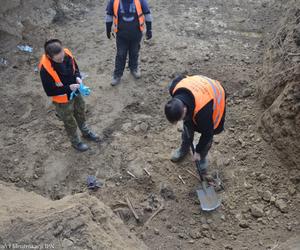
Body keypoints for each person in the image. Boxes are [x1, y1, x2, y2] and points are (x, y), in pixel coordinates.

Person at [39, 39, 99, 152]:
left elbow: (75, 69)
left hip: (76, 92)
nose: (62, 60)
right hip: (62, 101)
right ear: (49, 57)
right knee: (69, 121)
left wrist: (78, 77)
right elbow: (49, 91)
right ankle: (76, 142)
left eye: (62, 56)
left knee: (80, 112)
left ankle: (85, 132)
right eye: (58, 59)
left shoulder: (67, 54)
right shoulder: (45, 69)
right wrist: (68, 88)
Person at [164, 75, 226, 177]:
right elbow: (181, 77)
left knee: (209, 131)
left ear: (184, 109)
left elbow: (208, 133)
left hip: (214, 94)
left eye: (179, 118)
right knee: (187, 126)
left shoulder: (203, 112)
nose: (179, 121)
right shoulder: (174, 88)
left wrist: (197, 151)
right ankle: (184, 148)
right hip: (197, 89)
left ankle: (202, 157)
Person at [105, 0, 153, 86]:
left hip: (137, 34)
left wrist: (149, 29)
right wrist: (108, 29)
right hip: (121, 35)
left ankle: (133, 68)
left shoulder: (140, 1)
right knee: (120, 54)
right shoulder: (114, 1)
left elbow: (147, 14)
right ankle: (117, 75)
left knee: (134, 52)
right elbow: (109, 15)